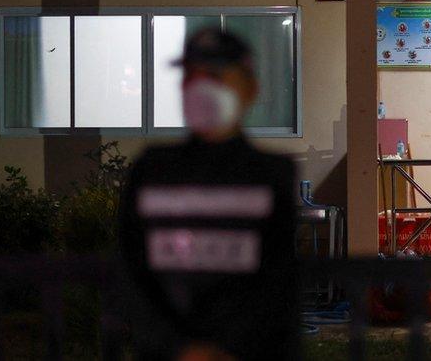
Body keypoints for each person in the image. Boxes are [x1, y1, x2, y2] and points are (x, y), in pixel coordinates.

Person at [118, 29, 299, 361]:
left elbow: (277, 281)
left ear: (250, 89)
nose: (200, 86)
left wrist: (225, 348)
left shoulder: (271, 175)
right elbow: (133, 272)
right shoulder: (151, 171)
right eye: (190, 76)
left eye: (215, 75)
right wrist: (180, 348)